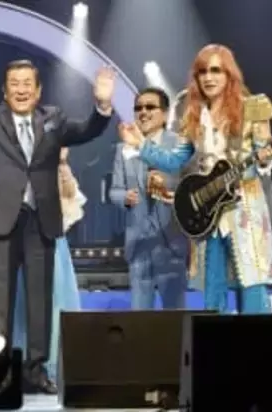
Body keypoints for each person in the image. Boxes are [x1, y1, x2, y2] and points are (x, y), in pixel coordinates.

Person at [0, 37, 114, 393]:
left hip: (40, 221)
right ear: (4, 92)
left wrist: (102, 105)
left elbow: (88, 130)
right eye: (14, 84)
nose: (21, 90)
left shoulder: (53, 119)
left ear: (38, 91)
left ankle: (36, 371)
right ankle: (0, 371)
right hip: (0, 219)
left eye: (27, 84)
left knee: (39, 301)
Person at [119, 44, 272, 314]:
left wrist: (263, 159)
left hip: (244, 207)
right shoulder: (193, 113)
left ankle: (257, 340)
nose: (208, 77)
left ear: (229, 74)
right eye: (202, 72)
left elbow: (264, 156)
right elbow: (174, 160)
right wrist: (141, 145)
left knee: (251, 285)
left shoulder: (253, 108)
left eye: (215, 70)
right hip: (208, 211)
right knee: (213, 289)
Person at [109, 87, 188, 310]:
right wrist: (124, 197)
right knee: (139, 317)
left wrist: (168, 188)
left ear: (165, 114)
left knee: (175, 316)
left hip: (171, 244)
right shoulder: (123, 149)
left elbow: (188, 188)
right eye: (138, 108)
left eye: (150, 107)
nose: (143, 112)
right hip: (139, 245)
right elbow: (114, 191)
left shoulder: (180, 145)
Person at [12, 147, 83, 381]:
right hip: (25, 241)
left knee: (56, 302)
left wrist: (61, 164)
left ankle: (52, 366)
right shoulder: (20, 167)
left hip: (54, 243)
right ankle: (24, 363)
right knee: (25, 305)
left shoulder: (60, 170)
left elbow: (70, 198)